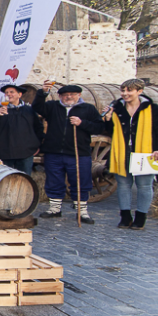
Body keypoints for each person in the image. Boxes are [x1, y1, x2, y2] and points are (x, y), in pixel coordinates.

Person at [33, 83, 105, 224]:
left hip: (78, 152)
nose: (69, 97)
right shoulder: (53, 107)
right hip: (54, 152)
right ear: (60, 96)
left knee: (81, 182)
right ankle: (55, 209)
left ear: (79, 95)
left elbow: (100, 127)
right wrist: (43, 92)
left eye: (72, 94)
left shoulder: (88, 109)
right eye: (65, 95)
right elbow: (37, 107)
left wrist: (82, 123)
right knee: (54, 181)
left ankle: (82, 211)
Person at [103, 78, 158, 230]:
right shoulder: (116, 107)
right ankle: (125, 217)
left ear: (139, 91)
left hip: (146, 152)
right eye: (123, 90)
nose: (125, 94)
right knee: (124, 186)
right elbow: (110, 131)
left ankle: (140, 217)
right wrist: (107, 119)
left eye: (129, 90)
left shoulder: (151, 108)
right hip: (122, 151)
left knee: (144, 186)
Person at [0, 84, 43, 175]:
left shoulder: (29, 110)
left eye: (11, 92)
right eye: (6, 93)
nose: (8, 94)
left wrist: (37, 145)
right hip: (4, 153)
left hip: (25, 153)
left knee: (24, 181)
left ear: (19, 95)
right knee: (4, 181)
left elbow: (38, 128)